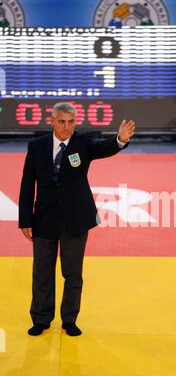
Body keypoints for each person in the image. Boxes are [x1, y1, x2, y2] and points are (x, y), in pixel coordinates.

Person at [19, 102, 135, 337]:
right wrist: (25, 219)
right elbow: (26, 184)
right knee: (42, 272)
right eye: (62, 122)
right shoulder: (36, 146)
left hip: (76, 219)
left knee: (72, 273)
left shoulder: (83, 143)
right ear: (51, 121)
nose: (67, 127)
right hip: (44, 219)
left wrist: (120, 140)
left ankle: (69, 319)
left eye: (71, 122)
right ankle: (41, 319)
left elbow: (104, 148)